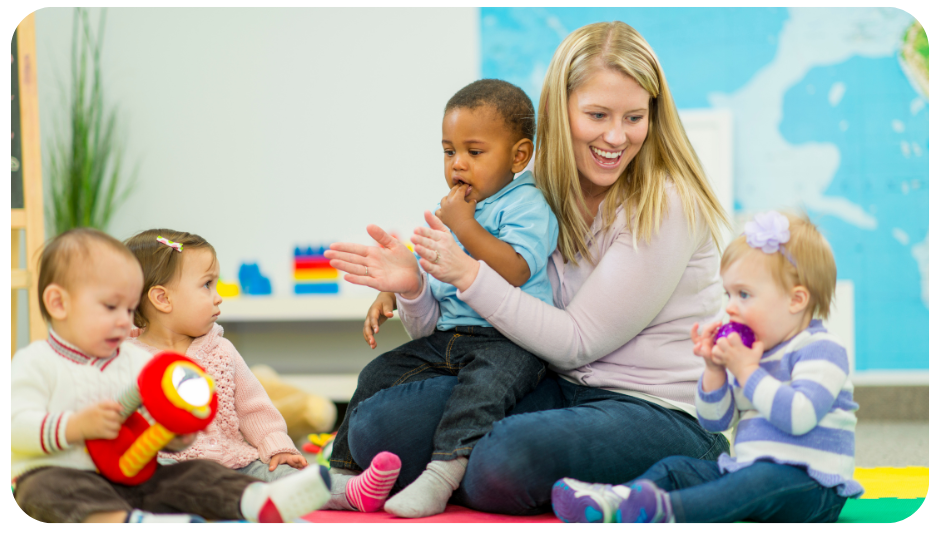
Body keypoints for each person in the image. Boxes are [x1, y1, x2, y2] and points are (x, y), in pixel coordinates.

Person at [326, 21, 732, 515]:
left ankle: (691, 469)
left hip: (653, 408)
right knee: (376, 428)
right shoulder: (529, 191)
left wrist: (469, 273)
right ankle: (472, 471)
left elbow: (578, 340)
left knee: (502, 460)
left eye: (634, 117)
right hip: (554, 386)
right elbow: (447, 325)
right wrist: (413, 286)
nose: (615, 136)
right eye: (597, 114)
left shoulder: (667, 203)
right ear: (561, 115)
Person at [325, 79, 559, 518]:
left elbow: (515, 269)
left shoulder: (526, 204)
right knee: (379, 371)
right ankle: (344, 475)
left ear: (519, 156)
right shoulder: (457, 210)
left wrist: (465, 225)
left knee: (480, 392)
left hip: (509, 342)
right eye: (450, 152)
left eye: (474, 152)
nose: (458, 165)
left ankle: (443, 473)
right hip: (451, 336)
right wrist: (396, 288)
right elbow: (436, 274)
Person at [551, 211, 861, 524]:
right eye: (728, 293)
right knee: (676, 468)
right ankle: (615, 502)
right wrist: (714, 370)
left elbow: (798, 416)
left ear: (796, 300)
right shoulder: (754, 355)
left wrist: (746, 371)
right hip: (749, 474)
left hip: (813, 487)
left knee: (758, 480)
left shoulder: (821, 350)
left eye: (744, 294)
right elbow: (716, 422)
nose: (729, 306)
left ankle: (669, 514)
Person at [11, 228, 332, 524]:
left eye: (128, 309)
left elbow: (161, 419)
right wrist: (74, 427)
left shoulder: (133, 360)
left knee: (196, 472)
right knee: (40, 487)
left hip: (142, 475)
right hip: (76, 477)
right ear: (58, 303)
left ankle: (255, 501)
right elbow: (13, 426)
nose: (125, 321)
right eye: (111, 308)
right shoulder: (37, 362)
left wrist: (179, 434)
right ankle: (128, 523)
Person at [124, 229, 401, 506]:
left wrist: (277, 447)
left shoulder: (221, 350)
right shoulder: (126, 360)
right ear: (162, 299)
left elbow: (254, 408)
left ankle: (351, 491)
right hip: (168, 470)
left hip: (235, 464)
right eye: (207, 285)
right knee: (153, 488)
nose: (218, 297)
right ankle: (247, 506)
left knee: (286, 475)